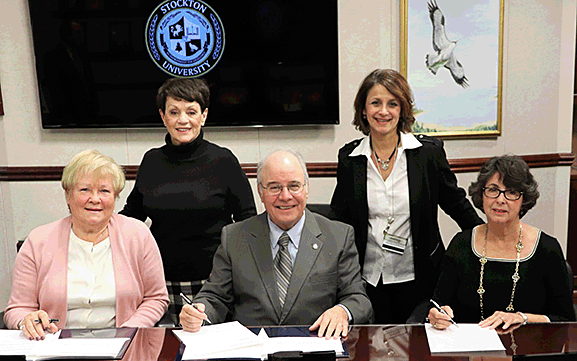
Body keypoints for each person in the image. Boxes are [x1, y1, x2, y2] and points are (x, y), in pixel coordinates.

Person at [330, 69, 483, 324]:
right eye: (375, 103)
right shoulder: (349, 159)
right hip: (367, 279)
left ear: (402, 109)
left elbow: (456, 204)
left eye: (393, 104)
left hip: (419, 278)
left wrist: (488, 238)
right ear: (364, 110)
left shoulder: (427, 154)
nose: (383, 111)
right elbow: (340, 218)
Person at [179, 149, 372, 338]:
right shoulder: (234, 237)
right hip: (252, 350)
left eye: (294, 186)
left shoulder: (338, 236)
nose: (285, 196)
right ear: (260, 193)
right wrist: (199, 312)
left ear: (306, 189)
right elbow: (215, 297)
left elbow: (358, 299)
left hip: (315, 348)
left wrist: (342, 311)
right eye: (274, 187)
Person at [120, 78, 256, 322]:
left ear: (203, 116)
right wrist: (94, 223)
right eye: (174, 112)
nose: (183, 120)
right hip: (160, 283)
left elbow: (248, 221)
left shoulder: (223, 160)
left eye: (191, 111)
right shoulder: (151, 161)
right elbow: (132, 216)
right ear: (163, 116)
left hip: (215, 285)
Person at [4, 149, 169, 340]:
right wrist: (27, 320)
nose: (95, 199)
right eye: (85, 190)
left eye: (104, 191)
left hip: (123, 345)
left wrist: (127, 332)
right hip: (54, 347)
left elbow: (156, 298)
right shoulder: (38, 241)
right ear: (68, 195)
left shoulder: (138, 234)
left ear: (115, 197)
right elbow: (17, 309)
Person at [428, 155, 576, 330]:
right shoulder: (461, 243)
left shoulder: (547, 249)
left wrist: (522, 317)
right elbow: (438, 304)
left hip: (527, 350)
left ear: (524, 200)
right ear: (481, 194)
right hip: (468, 350)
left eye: (511, 192)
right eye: (493, 190)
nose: (500, 199)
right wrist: (437, 315)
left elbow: (565, 320)